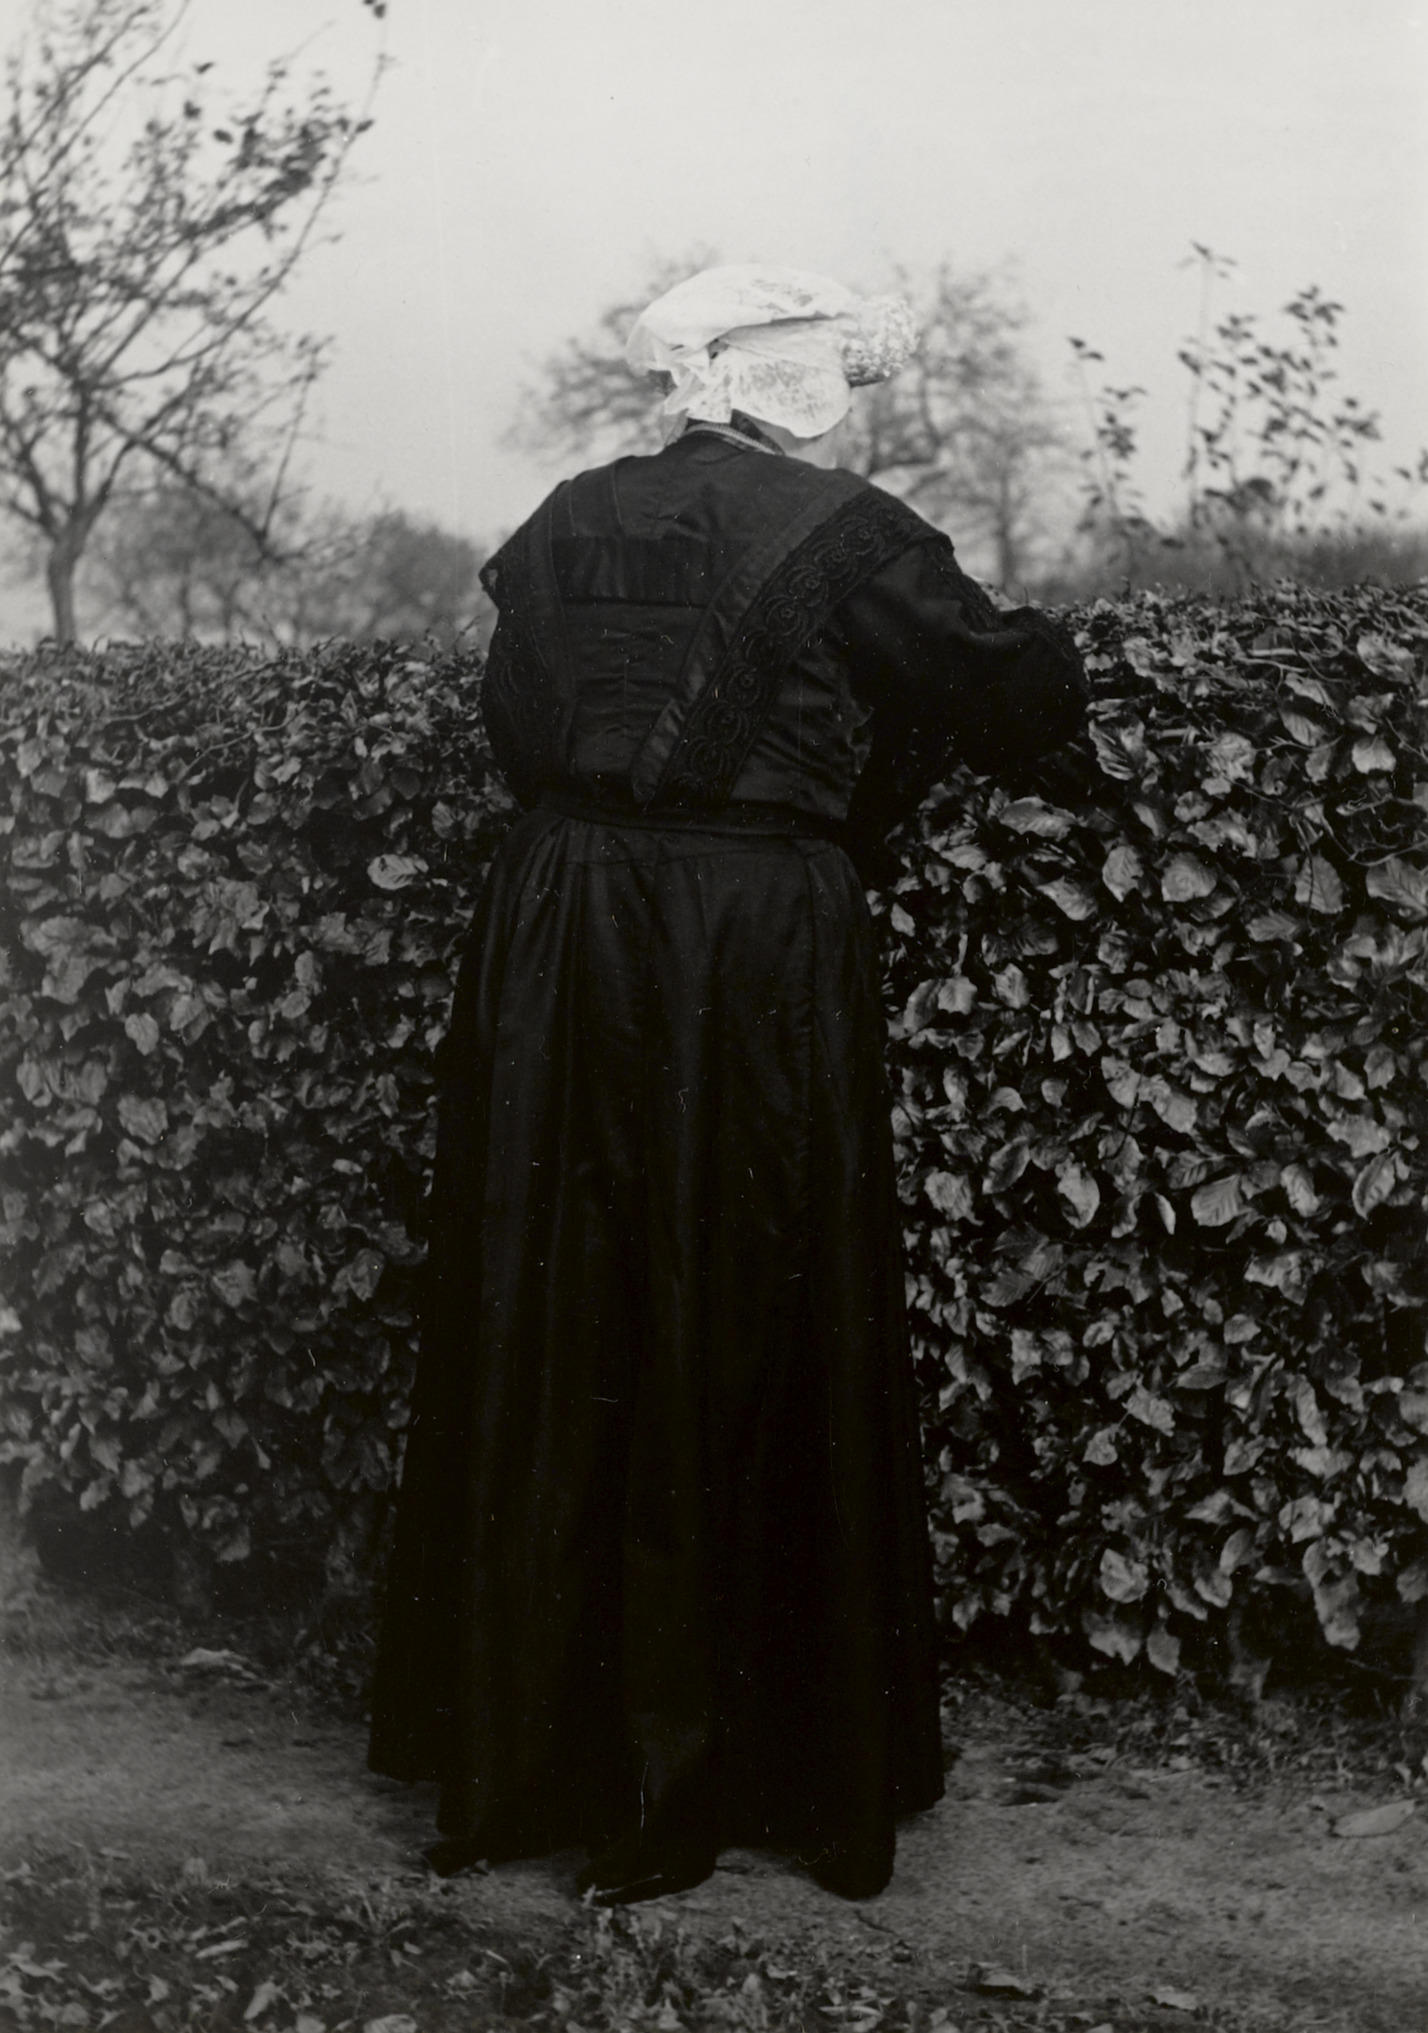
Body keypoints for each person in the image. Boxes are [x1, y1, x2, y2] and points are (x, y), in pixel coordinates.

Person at [367, 265, 1089, 1905]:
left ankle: (523, 1770)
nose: (847, 381)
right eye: (831, 359)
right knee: (745, 1303)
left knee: (560, 1311)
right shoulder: (848, 531)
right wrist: (843, 796)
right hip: (743, 940)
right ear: (782, 375)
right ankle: (735, 1777)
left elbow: (518, 724)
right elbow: (1012, 690)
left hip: (554, 927)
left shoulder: (564, 517)